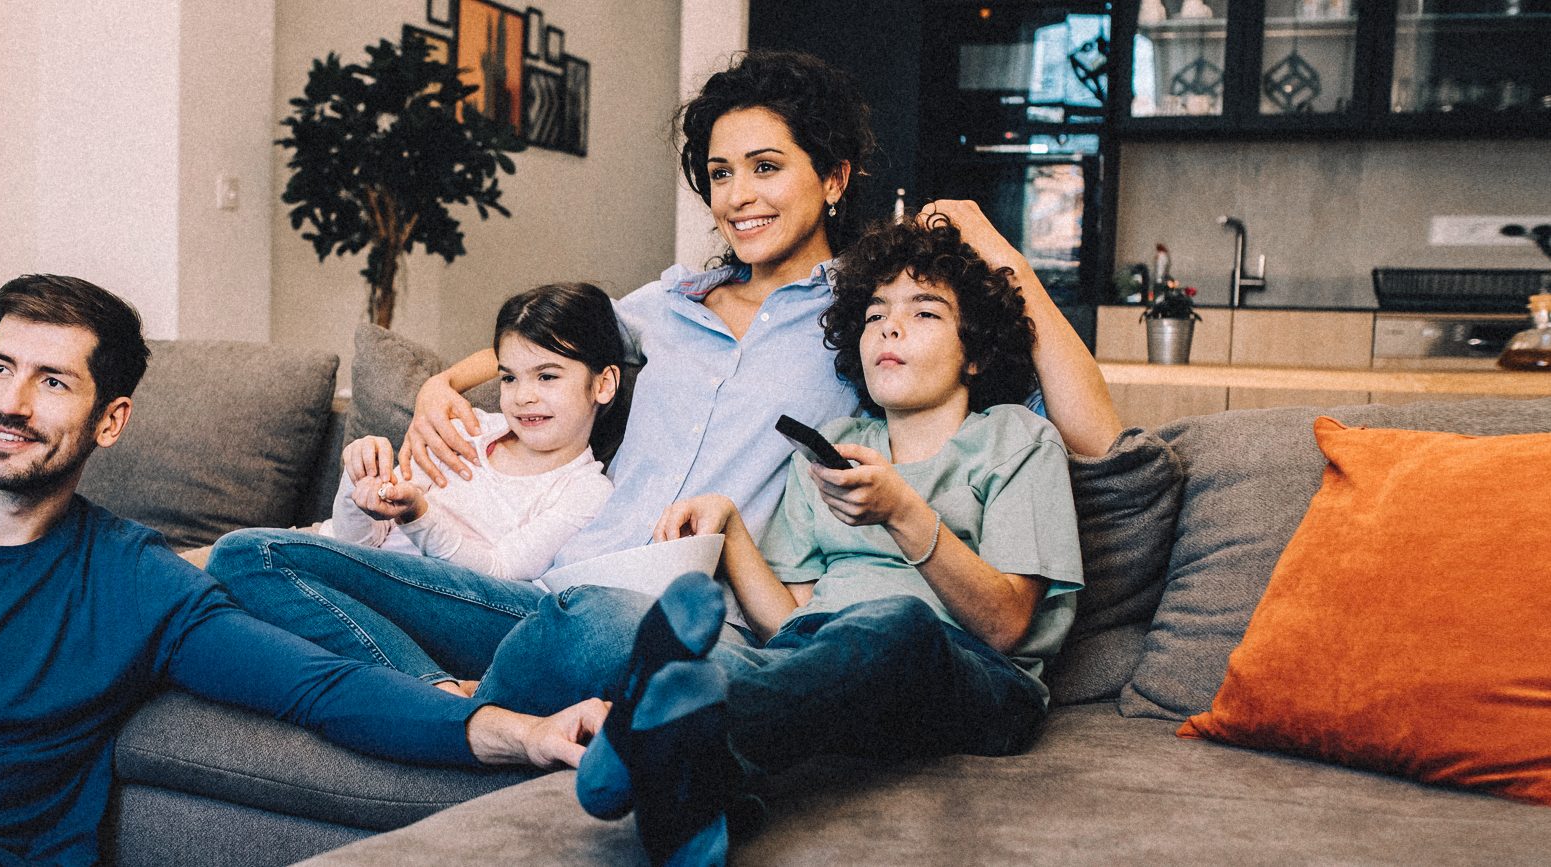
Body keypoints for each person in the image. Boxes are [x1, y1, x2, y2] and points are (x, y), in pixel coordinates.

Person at [0, 275, 605, 867]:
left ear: (111, 420)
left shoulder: (138, 579)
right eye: (1, 369)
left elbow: (320, 688)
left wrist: (520, 731)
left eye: (53, 383)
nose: (11, 405)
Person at [476, 218, 1085, 866]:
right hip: (814, 659)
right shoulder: (832, 443)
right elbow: (789, 620)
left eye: (923, 312)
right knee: (621, 617)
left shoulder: (1015, 439)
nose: (890, 327)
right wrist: (731, 528)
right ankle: (687, 774)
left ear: (975, 350)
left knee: (893, 623)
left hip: (972, 676)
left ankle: (653, 741)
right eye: (874, 313)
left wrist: (902, 512)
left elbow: (1006, 623)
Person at [400, 51, 1120, 573]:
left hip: (698, 606)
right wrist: (444, 385)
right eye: (720, 174)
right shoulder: (668, 304)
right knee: (288, 567)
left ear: (833, 177)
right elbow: (552, 345)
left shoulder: (876, 320)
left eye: (765, 167)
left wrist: (1003, 255)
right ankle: (462, 698)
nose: (737, 196)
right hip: (563, 575)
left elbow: (1096, 438)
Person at [208, 283, 625, 696]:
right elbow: (361, 545)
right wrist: (360, 491)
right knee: (212, 602)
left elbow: (501, 573)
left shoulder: (585, 490)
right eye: (510, 378)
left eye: (547, 376)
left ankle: (424, 689)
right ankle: (433, 690)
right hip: (372, 590)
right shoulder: (464, 430)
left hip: (451, 609)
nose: (523, 397)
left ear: (603, 384)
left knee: (243, 555)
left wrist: (419, 516)